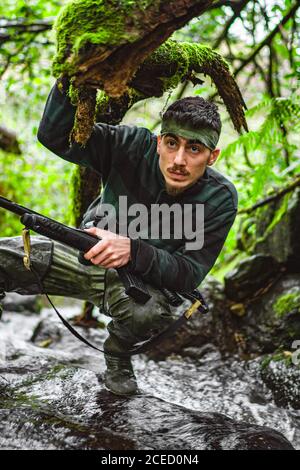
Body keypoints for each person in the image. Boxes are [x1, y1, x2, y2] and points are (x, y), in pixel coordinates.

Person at [0, 80, 237, 396]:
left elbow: (189, 273)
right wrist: (70, 80)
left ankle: (118, 353)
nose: (179, 159)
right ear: (157, 142)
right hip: (81, 255)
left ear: (212, 156)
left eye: (194, 148)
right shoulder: (131, 146)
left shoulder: (218, 199)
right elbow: (55, 138)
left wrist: (132, 252)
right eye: (171, 143)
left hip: (137, 287)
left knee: (151, 313)